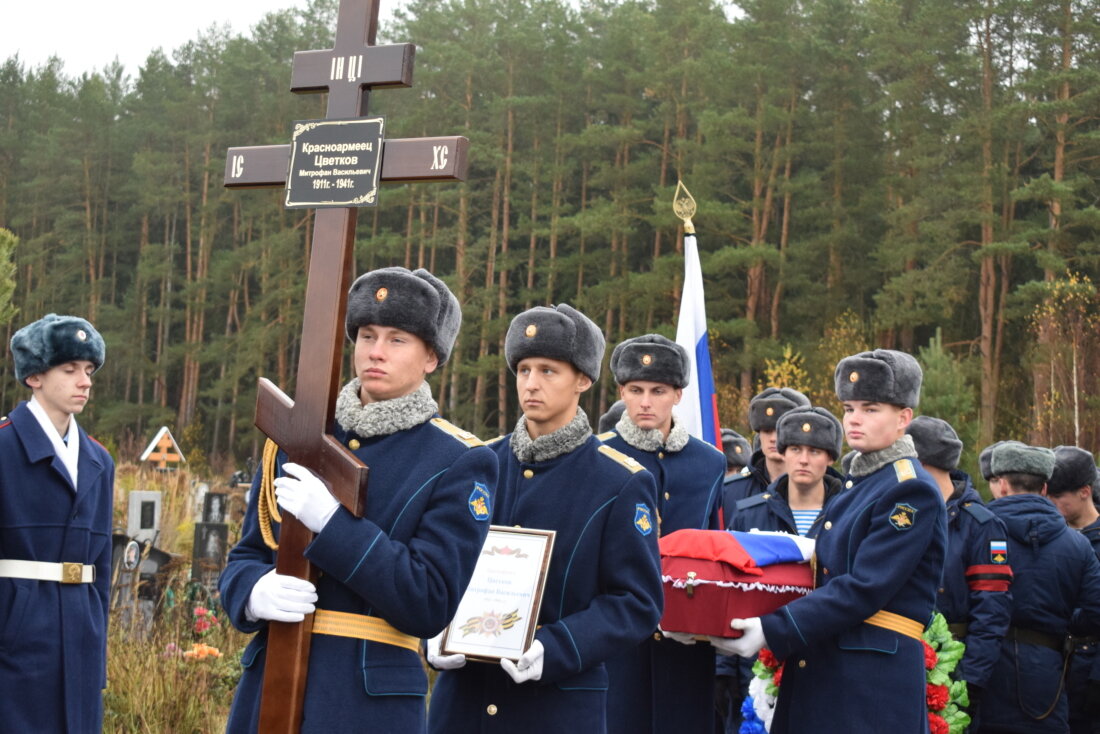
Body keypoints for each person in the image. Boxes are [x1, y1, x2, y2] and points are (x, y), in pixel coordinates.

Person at [218, 267, 498, 734]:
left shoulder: (458, 460)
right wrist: (250, 593)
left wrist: (333, 525)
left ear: (431, 357)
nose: (375, 351)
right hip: (269, 688)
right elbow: (247, 554)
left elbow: (428, 601)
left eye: (397, 339)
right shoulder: (302, 434)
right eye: (367, 335)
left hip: (366, 707)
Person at [428, 304, 663, 734]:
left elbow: (638, 602)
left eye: (548, 371)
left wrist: (555, 648)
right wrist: (435, 632)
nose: (531, 384)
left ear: (583, 381)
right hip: (464, 704)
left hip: (556, 708)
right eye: (523, 370)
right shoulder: (477, 463)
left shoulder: (619, 482)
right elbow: (440, 564)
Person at [714, 349, 947, 733]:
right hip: (832, 666)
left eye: (870, 409)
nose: (855, 419)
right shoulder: (862, 484)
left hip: (871, 681)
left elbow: (865, 586)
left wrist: (774, 628)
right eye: (850, 408)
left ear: (904, 417)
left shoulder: (909, 489)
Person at [598, 333, 726, 734]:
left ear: (679, 394)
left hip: (686, 644)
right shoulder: (597, 455)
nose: (646, 402)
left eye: (658, 390)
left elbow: (714, 545)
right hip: (614, 639)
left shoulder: (710, 463)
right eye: (635, 390)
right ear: (621, 391)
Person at [0, 313, 114, 733]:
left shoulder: (100, 461)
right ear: (34, 376)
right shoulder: (4, 448)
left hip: (80, 638)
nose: (84, 381)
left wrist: (96, 649)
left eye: (88, 370)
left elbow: (101, 569)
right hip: (16, 641)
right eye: (69, 370)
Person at [978, 442, 1100, 734]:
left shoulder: (979, 530)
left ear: (1003, 484)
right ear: (1044, 488)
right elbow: (1096, 611)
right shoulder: (1077, 544)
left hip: (985, 670)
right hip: (1049, 677)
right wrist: (1061, 622)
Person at [907, 416, 1012, 728]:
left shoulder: (980, 524)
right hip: (900, 659)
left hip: (953, 669)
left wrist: (969, 681)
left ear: (920, 463)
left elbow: (992, 609)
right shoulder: (901, 514)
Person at [1046, 445, 1100, 734]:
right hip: (1055, 666)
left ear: (1084, 491)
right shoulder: (1050, 537)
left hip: (1089, 667)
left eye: (1058, 496)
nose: (1051, 503)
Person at [731, 406, 845, 538]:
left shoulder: (849, 514)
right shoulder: (749, 515)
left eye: (814, 451)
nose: (803, 460)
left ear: (830, 458)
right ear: (783, 453)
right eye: (795, 449)